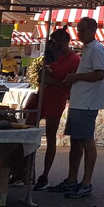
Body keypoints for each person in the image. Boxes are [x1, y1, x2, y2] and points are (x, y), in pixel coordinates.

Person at [48, 17, 104, 199]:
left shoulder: (97, 49)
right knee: (76, 140)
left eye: (82, 30)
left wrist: (75, 77)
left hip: (87, 103)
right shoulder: (88, 49)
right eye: (78, 30)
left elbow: (99, 74)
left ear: (92, 29)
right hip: (79, 101)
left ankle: (86, 183)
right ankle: (72, 179)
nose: (79, 33)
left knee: (86, 141)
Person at [34, 28, 80, 190]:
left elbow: (68, 84)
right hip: (42, 95)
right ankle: (25, 170)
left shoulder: (74, 59)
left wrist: (50, 80)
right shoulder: (52, 55)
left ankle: (45, 174)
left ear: (63, 42)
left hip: (56, 98)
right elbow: (41, 77)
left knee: (51, 136)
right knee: (28, 131)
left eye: (55, 43)